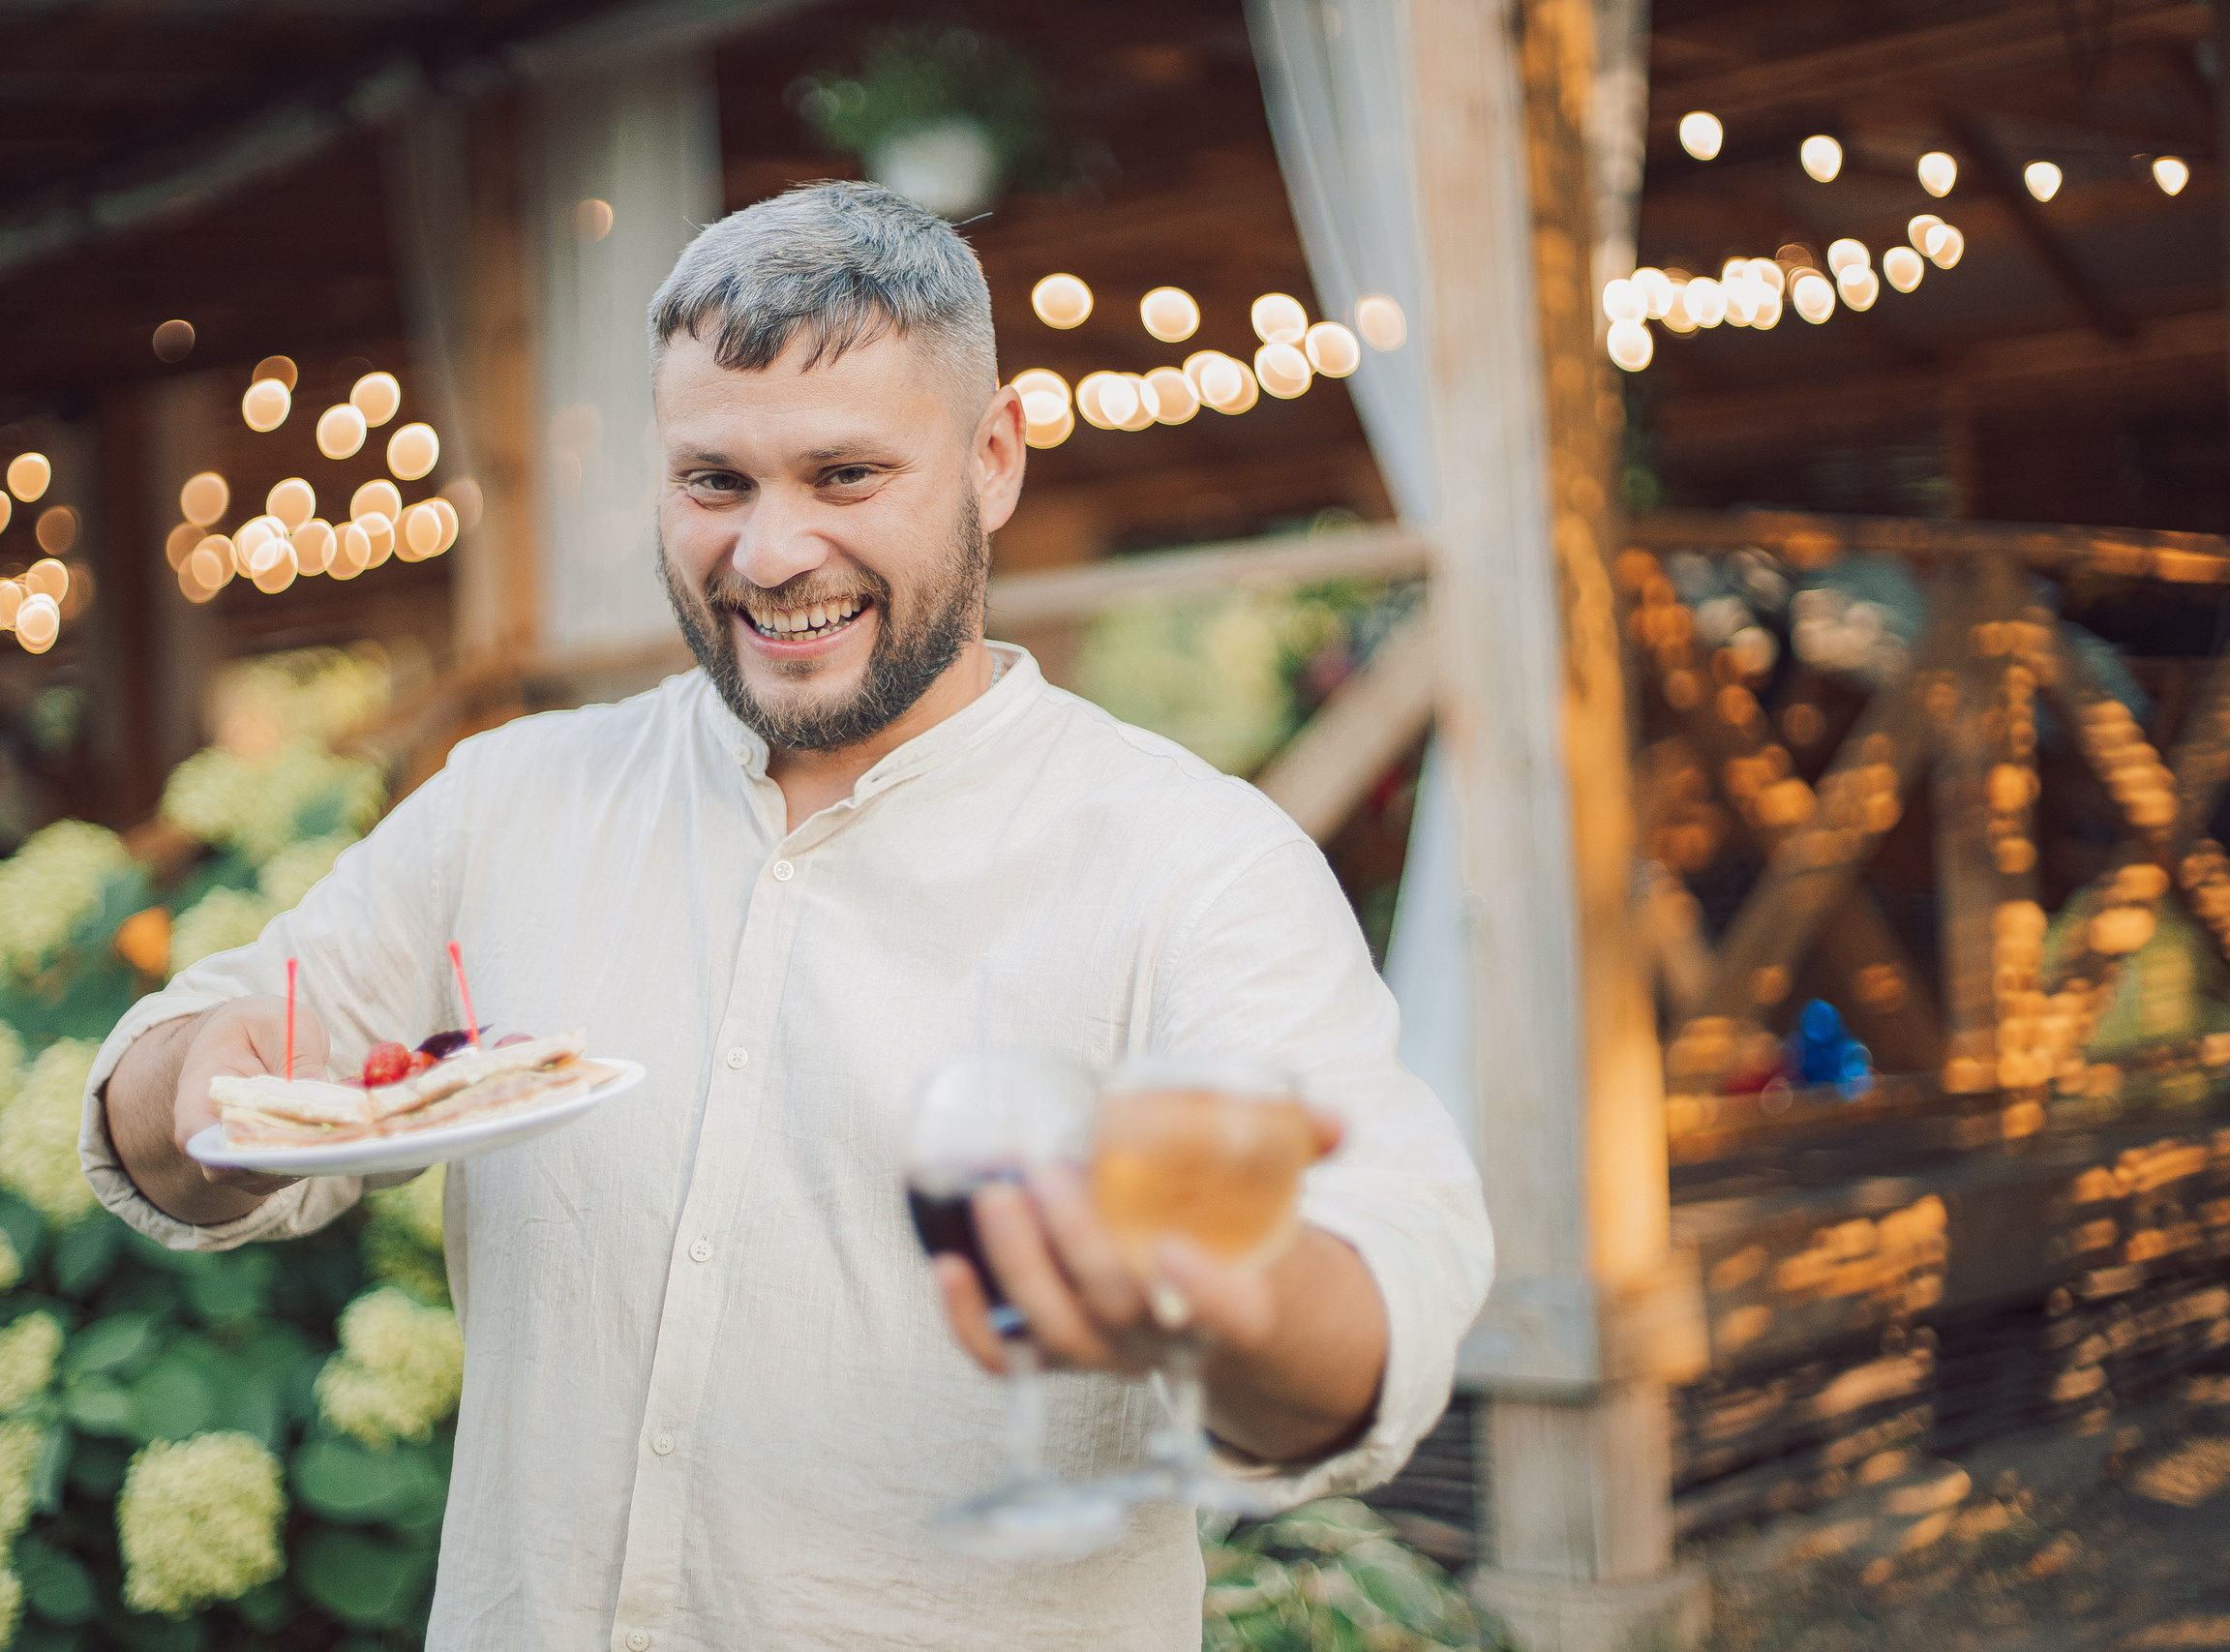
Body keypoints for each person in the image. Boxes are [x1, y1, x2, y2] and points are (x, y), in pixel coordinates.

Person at [84, 181, 1491, 1652]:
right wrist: (201, 1082)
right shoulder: (509, 802)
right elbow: (163, 1124)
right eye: (715, 483)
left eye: (844, 476)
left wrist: (1232, 1296)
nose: (769, 553)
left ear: (993, 458)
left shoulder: (1194, 863)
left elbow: (1380, 1300)